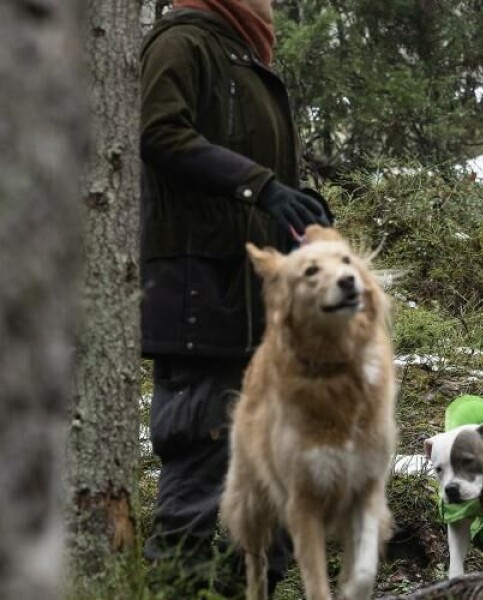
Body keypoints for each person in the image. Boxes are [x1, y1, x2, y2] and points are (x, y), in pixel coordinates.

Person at [139, 0, 332, 595]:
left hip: (257, 304)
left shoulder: (243, 52)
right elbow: (160, 133)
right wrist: (262, 187)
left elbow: (250, 169)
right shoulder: (180, 42)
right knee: (204, 464)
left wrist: (294, 208)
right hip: (200, 297)